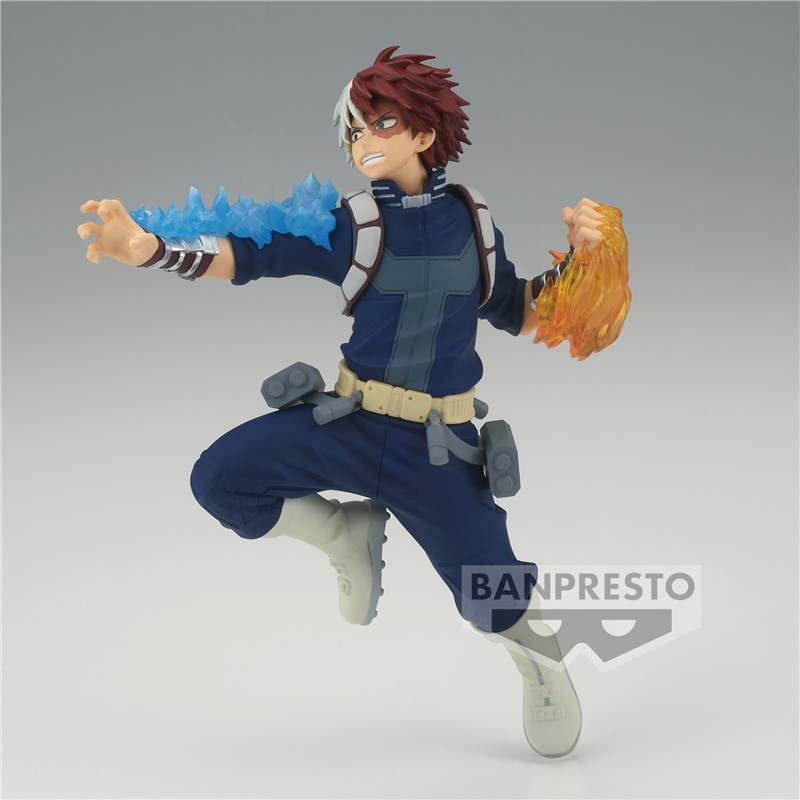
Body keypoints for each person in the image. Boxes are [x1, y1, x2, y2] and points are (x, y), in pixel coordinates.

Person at [78, 46, 616, 758]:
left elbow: (522, 312)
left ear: (425, 133)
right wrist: (150, 249)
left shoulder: (475, 224)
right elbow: (252, 254)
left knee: (494, 595)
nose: (365, 142)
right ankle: (342, 535)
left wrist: (588, 262)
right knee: (221, 478)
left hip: (438, 449)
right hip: (348, 422)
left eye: (381, 124)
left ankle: (538, 661)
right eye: (356, 131)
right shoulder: (353, 225)